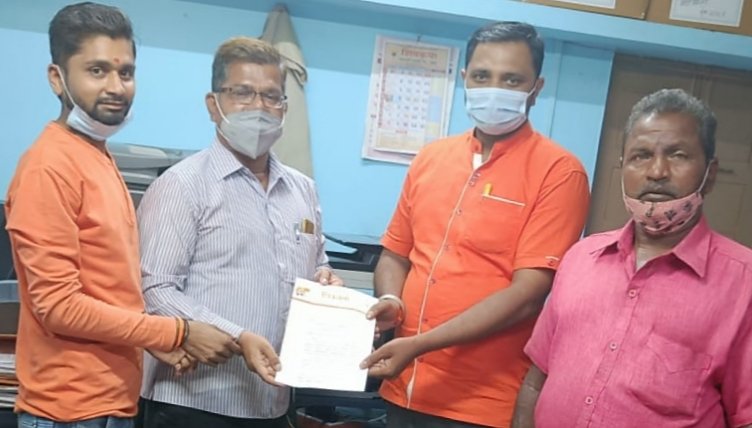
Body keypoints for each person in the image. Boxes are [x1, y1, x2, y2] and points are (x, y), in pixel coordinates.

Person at [4, 3, 240, 427]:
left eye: (126, 73)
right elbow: (58, 306)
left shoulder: (95, 155)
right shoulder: (48, 166)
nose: (116, 87)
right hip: (68, 412)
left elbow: (107, 291)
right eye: (97, 71)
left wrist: (153, 341)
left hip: (108, 405)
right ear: (57, 78)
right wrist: (178, 332)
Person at [360, 21, 591, 428]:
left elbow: (528, 294)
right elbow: (395, 254)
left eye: (512, 79)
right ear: (465, 78)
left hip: (481, 404)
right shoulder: (431, 158)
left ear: (536, 88)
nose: (494, 88)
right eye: (482, 76)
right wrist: (392, 300)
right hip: (402, 386)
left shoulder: (559, 172)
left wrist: (420, 344)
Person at [513, 88, 752, 428]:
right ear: (623, 166)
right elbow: (536, 381)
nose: (657, 171)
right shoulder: (581, 258)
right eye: (641, 155)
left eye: (678, 155)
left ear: (709, 174)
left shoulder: (743, 283)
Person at [136, 36, 342, 428]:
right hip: (194, 402)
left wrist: (324, 280)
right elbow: (153, 290)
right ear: (213, 105)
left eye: (271, 96)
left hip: (273, 401)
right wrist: (237, 335)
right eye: (243, 93)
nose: (259, 107)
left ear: (284, 107)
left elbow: (317, 263)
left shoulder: (302, 189)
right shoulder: (182, 185)